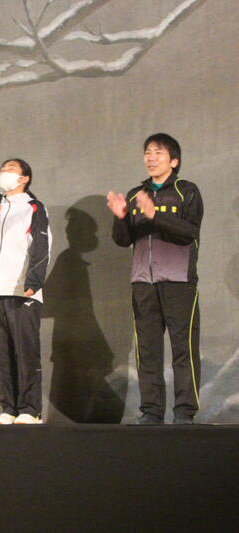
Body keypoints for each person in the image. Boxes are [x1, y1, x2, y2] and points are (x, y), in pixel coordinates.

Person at [106, 133, 203, 425]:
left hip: (178, 282)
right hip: (143, 283)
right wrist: (121, 217)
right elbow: (123, 240)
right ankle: (151, 411)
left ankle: (184, 412)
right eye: (148, 152)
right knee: (147, 350)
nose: (151, 157)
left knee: (183, 349)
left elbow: (189, 232)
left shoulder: (187, 191)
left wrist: (154, 215)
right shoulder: (136, 194)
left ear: (174, 160)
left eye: (158, 152)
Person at [0, 159, 51, 425]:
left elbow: (42, 246)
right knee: (1, 354)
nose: (3, 172)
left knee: (25, 352)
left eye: (10, 169)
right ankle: (8, 408)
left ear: (24, 178)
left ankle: (31, 409)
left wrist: (34, 281)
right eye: (2, 169)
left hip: (21, 290)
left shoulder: (33, 207)